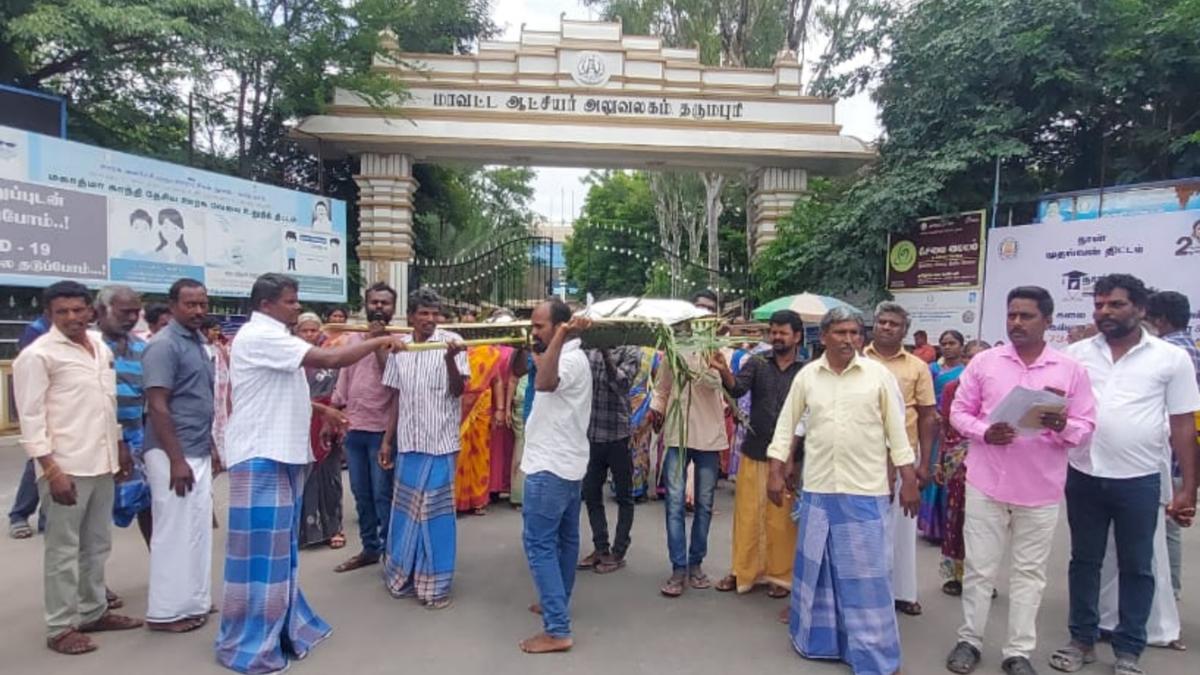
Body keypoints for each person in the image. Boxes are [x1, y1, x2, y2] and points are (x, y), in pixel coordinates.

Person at [215, 273, 404, 674]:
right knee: (260, 557)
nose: (297, 307)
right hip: (261, 454)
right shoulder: (260, 335)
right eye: (290, 301)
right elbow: (332, 360)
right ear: (266, 305)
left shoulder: (274, 335)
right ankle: (251, 641)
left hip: (279, 451)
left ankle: (280, 627)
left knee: (280, 553)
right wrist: (380, 340)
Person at [944, 286, 1096, 675]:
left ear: (1047, 320)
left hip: (1040, 489)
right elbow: (959, 412)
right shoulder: (985, 363)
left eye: (1026, 316)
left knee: (1029, 573)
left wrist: (1063, 425)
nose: (1016, 323)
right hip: (986, 482)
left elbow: (1085, 425)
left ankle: (1018, 652)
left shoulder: (1069, 369)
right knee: (980, 568)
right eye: (1011, 315)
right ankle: (969, 641)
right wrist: (983, 431)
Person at [1051, 274, 1199, 675]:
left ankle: (1129, 650)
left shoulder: (1170, 358)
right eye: (1099, 305)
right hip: (1083, 473)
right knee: (1084, 561)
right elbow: (1054, 407)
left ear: (1140, 308)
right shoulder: (1077, 354)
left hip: (1139, 479)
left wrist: (1189, 489)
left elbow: (1184, 424)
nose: (1104, 312)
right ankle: (1080, 640)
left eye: (1115, 305)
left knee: (1137, 565)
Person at [766, 306, 920, 675]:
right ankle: (821, 642)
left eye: (854, 332)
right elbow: (787, 427)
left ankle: (875, 656)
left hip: (863, 489)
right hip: (819, 488)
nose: (849, 339)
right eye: (841, 332)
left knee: (866, 577)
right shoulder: (808, 376)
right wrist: (776, 470)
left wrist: (908, 478)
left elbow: (896, 431)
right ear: (824, 336)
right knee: (820, 570)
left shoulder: (877, 376)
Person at [13, 281, 142, 655]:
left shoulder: (98, 347)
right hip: (66, 468)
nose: (71, 317)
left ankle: (92, 610)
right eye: (61, 312)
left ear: (90, 311)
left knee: (97, 544)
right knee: (63, 550)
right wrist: (52, 471)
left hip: (102, 462)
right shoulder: (38, 356)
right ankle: (60, 626)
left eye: (77, 310)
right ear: (49, 315)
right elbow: (32, 418)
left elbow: (106, 402)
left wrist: (118, 447)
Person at [378, 287, 468, 610]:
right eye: (424, 313)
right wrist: (388, 441)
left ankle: (435, 585)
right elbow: (396, 398)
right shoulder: (401, 347)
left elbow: (459, 391)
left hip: (439, 445)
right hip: (409, 445)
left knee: (434, 516)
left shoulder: (453, 341)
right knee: (404, 513)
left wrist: (450, 362)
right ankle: (403, 574)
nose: (430, 319)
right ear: (412, 315)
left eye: (435, 313)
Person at [512, 300, 592, 654]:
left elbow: (544, 382)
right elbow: (534, 371)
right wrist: (543, 343)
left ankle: (557, 628)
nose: (534, 332)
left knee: (539, 544)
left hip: (552, 467)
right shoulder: (565, 354)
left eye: (540, 326)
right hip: (564, 463)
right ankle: (555, 601)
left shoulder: (570, 359)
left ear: (561, 327)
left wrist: (560, 335)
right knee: (564, 539)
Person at [141, 278, 218, 633]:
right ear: (173, 306)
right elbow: (158, 405)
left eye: (202, 304)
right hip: (173, 453)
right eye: (190, 304)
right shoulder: (164, 345)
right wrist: (176, 459)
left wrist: (212, 447)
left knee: (197, 530)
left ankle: (195, 601)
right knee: (173, 532)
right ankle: (166, 612)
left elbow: (200, 399)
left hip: (197, 447)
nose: (198, 311)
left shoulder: (198, 342)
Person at [711, 310, 804, 597]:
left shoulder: (806, 371)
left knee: (782, 520)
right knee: (748, 516)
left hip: (790, 455)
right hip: (755, 449)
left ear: (797, 336)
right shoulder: (758, 363)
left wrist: (794, 459)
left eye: (782, 332)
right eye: (773, 331)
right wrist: (724, 370)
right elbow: (737, 389)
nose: (776, 337)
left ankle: (780, 576)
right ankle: (743, 572)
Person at [650, 289, 729, 597]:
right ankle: (678, 568)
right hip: (676, 436)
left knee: (705, 505)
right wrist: (650, 416)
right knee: (673, 504)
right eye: (698, 309)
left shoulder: (722, 349)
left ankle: (696, 564)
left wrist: (716, 365)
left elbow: (726, 388)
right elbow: (662, 388)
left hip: (710, 437)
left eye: (708, 310)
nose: (702, 314)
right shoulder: (674, 347)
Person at [865, 301, 936, 616]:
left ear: (904, 330)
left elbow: (927, 416)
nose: (886, 327)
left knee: (903, 526)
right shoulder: (857, 359)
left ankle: (903, 593)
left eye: (893, 323)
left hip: (904, 453)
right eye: (881, 322)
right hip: (864, 454)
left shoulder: (917, 367)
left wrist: (923, 464)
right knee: (866, 524)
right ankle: (867, 589)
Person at [332, 283, 401, 573]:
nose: (379, 308)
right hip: (354, 428)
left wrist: (378, 343)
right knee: (361, 494)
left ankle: (390, 554)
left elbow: (394, 381)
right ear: (366, 304)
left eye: (385, 303)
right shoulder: (351, 340)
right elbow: (344, 378)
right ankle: (369, 548)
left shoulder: (398, 342)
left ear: (393, 309)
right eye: (374, 303)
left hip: (381, 433)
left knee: (383, 495)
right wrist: (335, 412)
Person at [94, 286, 153, 615]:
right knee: (95, 518)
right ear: (100, 312)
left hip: (137, 438)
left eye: (135, 313)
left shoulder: (141, 348)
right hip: (95, 444)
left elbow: (149, 398)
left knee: (149, 508)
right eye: (124, 313)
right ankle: (94, 585)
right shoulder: (89, 347)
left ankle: (164, 571)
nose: (131, 318)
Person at [1144, 289, 1200, 600]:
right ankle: (1170, 591)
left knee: (1163, 528)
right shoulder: (1193, 348)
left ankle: (1164, 594)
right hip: (1187, 453)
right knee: (1171, 526)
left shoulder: (1165, 353)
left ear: (1159, 320)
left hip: (1168, 453)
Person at [577, 346, 641, 574]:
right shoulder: (589, 349)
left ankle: (619, 551)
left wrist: (606, 356)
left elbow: (622, 384)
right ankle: (601, 548)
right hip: (592, 433)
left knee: (625, 496)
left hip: (618, 434)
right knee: (591, 493)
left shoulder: (631, 350)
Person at [936, 339, 990, 597]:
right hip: (957, 460)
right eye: (970, 357)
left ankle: (982, 577)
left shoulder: (999, 389)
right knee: (956, 517)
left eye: (981, 357)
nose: (975, 363)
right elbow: (947, 426)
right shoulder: (951, 388)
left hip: (990, 460)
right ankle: (955, 575)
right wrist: (943, 460)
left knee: (987, 522)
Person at [295, 313, 347, 550]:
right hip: (299, 424)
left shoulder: (330, 358)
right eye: (304, 331)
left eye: (313, 330)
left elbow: (340, 392)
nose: (308, 335)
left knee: (330, 477)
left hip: (328, 421)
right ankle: (306, 532)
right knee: (303, 477)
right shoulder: (292, 360)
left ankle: (334, 528)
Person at [921, 330, 968, 542]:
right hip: (934, 424)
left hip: (957, 428)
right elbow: (923, 395)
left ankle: (950, 527)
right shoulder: (931, 370)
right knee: (933, 470)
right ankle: (932, 527)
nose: (947, 347)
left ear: (961, 346)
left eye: (952, 343)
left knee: (952, 474)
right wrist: (933, 414)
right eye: (944, 343)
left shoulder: (967, 372)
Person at [8, 309, 50, 540]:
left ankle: (47, 519)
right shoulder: (37, 331)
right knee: (37, 463)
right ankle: (19, 515)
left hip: (67, 415)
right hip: (41, 409)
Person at [456, 343, 505, 514]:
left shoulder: (488, 353)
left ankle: (478, 501)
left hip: (481, 406)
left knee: (480, 453)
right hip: (458, 404)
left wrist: (499, 409)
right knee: (458, 453)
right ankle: (456, 500)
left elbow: (497, 380)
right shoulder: (452, 349)